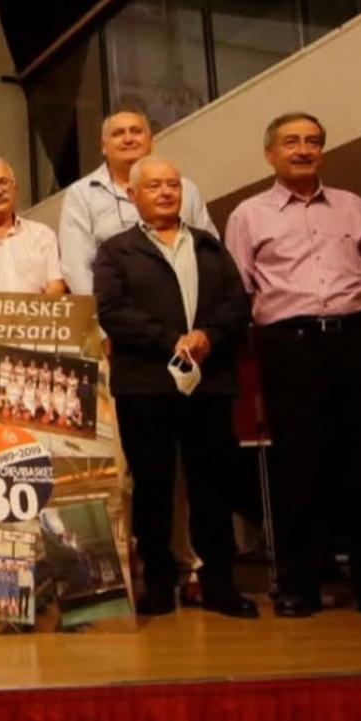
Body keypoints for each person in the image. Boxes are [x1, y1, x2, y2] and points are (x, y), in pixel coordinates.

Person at [224, 112, 361, 619]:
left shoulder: (354, 206)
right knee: (298, 466)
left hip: (354, 342)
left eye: (312, 141)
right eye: (291, 142)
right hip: (287, 345)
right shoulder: (247, 215)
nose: (303, 149)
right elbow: (239, 288)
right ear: (270, 154)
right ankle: (300, 584)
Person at [93, 156, 255, 619]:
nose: (166, 192)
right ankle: (159, 584)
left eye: (173, 185)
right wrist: (171, 341)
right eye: (155, 186)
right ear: (133, 195)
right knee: (153, 488)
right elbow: (112, 311)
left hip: (209, 383)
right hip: (146, 385)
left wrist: (207, 336)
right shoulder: (115, 250)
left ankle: (220, 584)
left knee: (212, 487)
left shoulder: (208, 244)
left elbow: (235, 302)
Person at [59, 110, 216, 296]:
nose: (128, 139)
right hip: (115, 312)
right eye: (118, 133)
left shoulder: (185, 188)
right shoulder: (81, 194)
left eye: (136, 131)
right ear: (103, 147)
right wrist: (99, 314)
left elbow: (211, 251)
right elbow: (75, 266)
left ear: (151, 141)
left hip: (188, 306)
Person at [0, 156, 64, 295]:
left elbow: (56, 286)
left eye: (3, 182)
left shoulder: (43, 234)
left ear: (15, 188)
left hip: (36, 316)